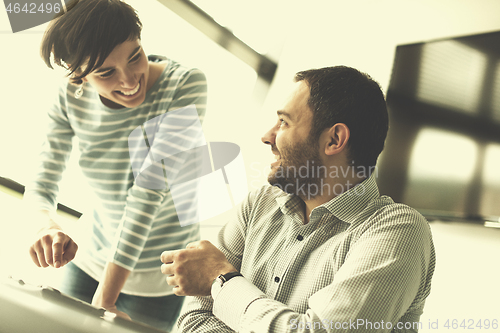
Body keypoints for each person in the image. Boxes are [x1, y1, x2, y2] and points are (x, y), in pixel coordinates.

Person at [160, 66, 436, 332]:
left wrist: (222, 280)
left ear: (334, 139)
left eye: (283, 122)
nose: (268, 136)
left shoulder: (398, 231)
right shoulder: (260, 203)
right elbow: (196, 315)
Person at [24, 0, 207, 331]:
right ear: (79, 76)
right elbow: (43, 178)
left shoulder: (185, 85)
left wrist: (106, 297)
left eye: (135, 55)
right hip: (90, 258)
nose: (129, 80)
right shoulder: (70, 97)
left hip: (158, 274)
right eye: (106, 72)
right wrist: (44, 225)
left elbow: (149, 190)